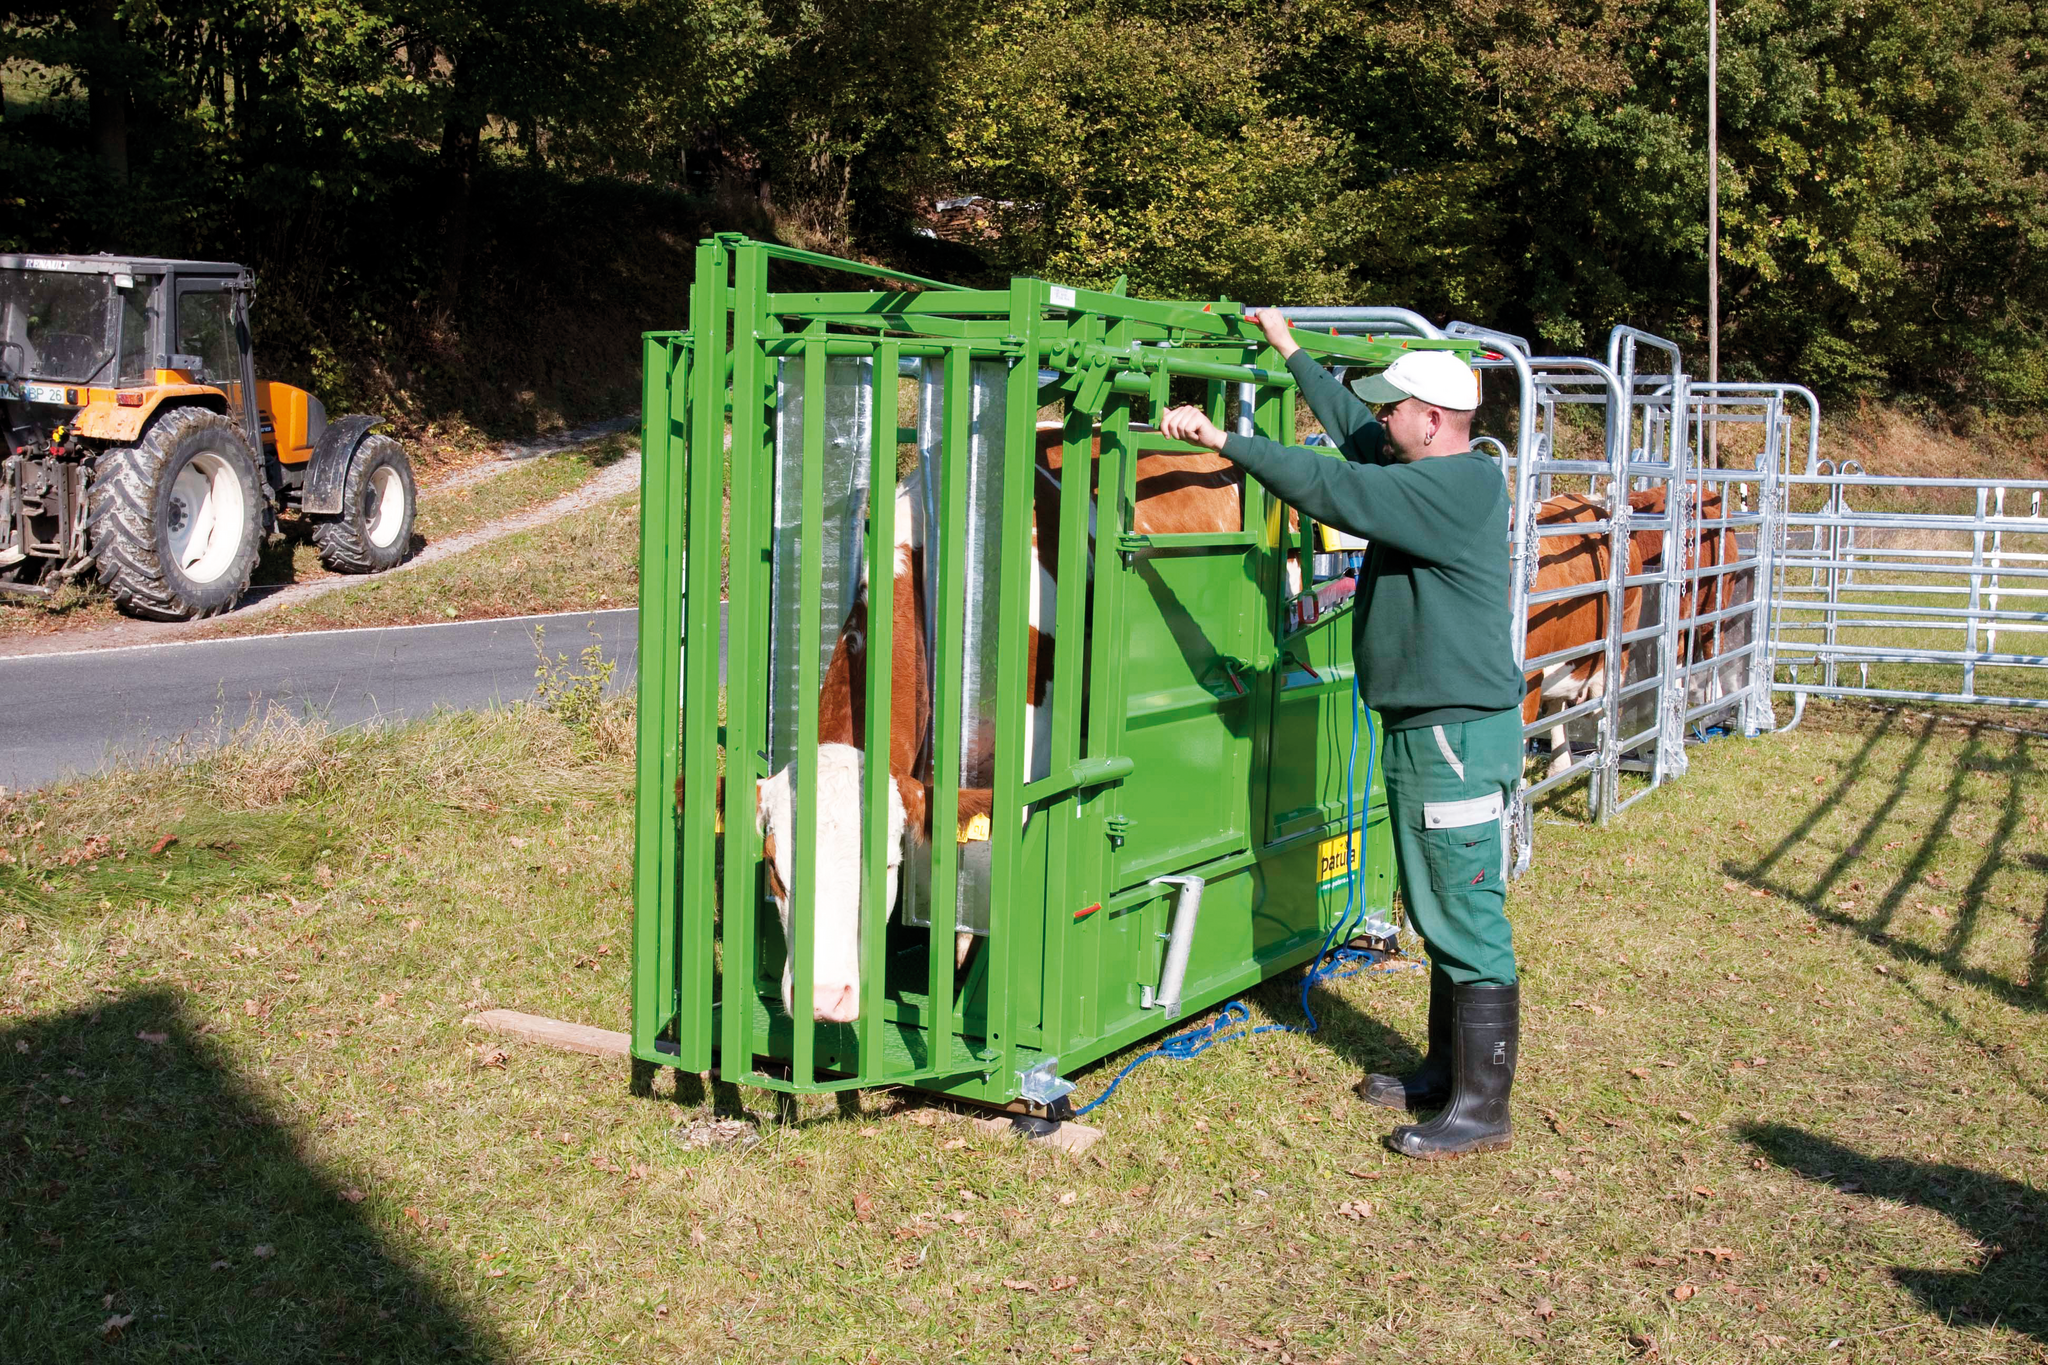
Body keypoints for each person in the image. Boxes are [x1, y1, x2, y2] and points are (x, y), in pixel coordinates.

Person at [1159, 310, 1524, 1159]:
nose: (1381, 418)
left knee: (1465, 907)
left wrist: (1226, 439)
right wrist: (1289, 349)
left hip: (1454, 737)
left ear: (1432, 421)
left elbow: (1335, 486)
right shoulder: (1430, 467)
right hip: (1430, 729)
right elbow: (1360, 438)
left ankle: (1483, 1106)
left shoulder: (1456, 487)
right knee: (1437, 901)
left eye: (1394, 407)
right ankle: (1444, 1069)